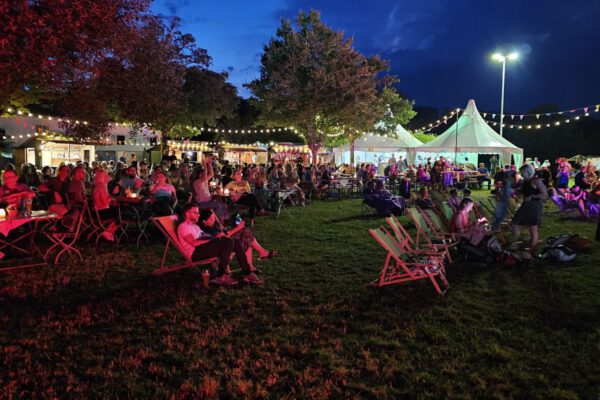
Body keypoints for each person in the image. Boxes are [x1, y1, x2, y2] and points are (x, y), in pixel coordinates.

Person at [199, 209, 275, 281]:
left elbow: (222, 234)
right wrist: (237, 228)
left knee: (245, 231)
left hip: (227, 241)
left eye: (213, 218)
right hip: (225, 247)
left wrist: (226, 227)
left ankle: (259, 255)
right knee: (246, 235)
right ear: (204, 221)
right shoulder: (206, 231)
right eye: (211, 219)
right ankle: (259, 255)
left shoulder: (213, 226)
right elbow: (220, 241)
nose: (213, 220)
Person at [177, 204, 243, 286]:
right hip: (195, 253)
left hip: (203, 248)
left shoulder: (195, 226)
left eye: (198, 213)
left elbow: (204, 237)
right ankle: (220, 276)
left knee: (235, 241)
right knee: (228, 241)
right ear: (187, 214)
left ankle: (247, 271)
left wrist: (216, 236)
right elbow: (194, 243)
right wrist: (213, 239)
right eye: (195, 212)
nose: (198, 215)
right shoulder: (184, 227)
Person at [511, 164, 547, 256]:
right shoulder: (525, 181)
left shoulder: (536, 180)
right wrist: (515, 192)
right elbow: (524, 192)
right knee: (515, 223)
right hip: (526, 205)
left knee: (532, 228)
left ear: (528, 172)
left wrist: (533, 196)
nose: (521, 174)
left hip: (534, 206)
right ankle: (518, 243)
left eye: (523, 172)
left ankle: (532, 249)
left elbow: (544, 194)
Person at [92, 170, 119, 241]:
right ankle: (108, 231)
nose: (108, 176)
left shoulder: (97, 186)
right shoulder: (102, 186)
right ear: (102, 177)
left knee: (117, 211)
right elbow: (105, 202)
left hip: (97, 211)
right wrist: (113, 194)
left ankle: (108, 231)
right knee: (120, 213)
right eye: (106, 175)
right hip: (102, 212)